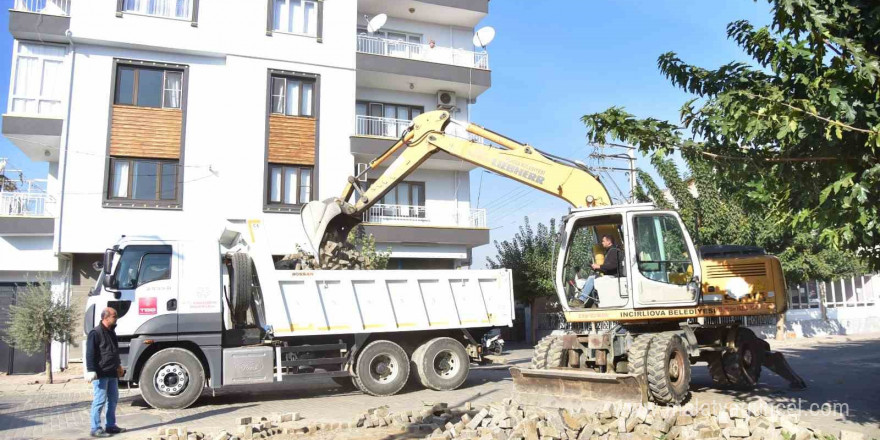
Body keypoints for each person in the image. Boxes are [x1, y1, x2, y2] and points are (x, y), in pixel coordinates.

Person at [85, 307, 126, 437]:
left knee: (113, 400)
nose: (116, 318)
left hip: (112, 372)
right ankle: (95, 428)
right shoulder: (95, 333)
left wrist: (119, 365)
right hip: (101, 373)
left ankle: (110, 426)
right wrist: (91, 370)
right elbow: (90, 353)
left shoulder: (112, 332)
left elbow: (114, 351)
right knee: (99, 400)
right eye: (114, 316)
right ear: (106, 317)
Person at [568, 235, 623, 308]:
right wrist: (597, 268)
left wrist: (599, 266)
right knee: (593, 277)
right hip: (612, 275)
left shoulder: (613, 251)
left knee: (592, 278)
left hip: (615, 276)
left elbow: (613, 266)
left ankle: (581, 300)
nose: (602, 243)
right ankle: (586, 302)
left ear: (609, 242)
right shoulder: (611, 251)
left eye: (603, 241)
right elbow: (608, 268)